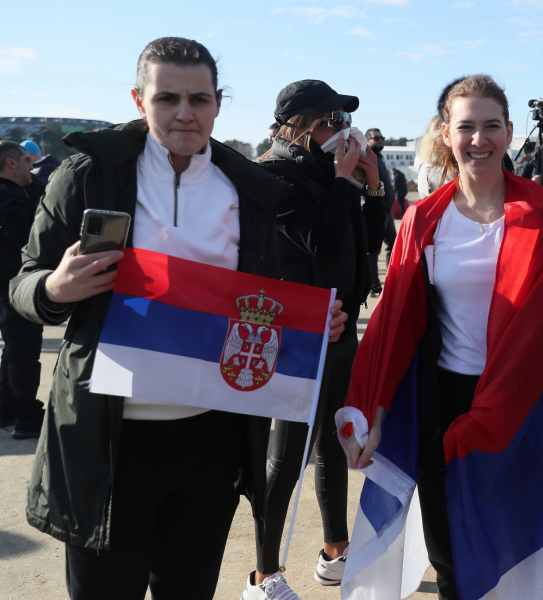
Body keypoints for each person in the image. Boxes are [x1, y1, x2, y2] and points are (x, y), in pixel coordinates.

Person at [9, 37, 347, 600]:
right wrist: (54, 287)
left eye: (200, 98)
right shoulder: (88, 175)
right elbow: (22, 283)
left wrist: (312, 325)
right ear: (139, 100)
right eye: (167, 98)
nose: (185, 113)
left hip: (209, 441)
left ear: (218, 104)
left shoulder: (249, 190)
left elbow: (259, 300)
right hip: (106, 437)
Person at [340, 74, 543, 600]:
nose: (478, 140)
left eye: (491, 127)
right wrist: (372, 408)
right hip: (446, 411)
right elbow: (397, 322)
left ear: (509, 133)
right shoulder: (424, 219)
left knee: (521, 555)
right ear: (446, 134)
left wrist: (493, 415)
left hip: (524, 410)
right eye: (466, 127)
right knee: (454, 562)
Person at [246, 79, 384, 598]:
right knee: (287, 454)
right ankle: (263, 573)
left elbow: (364, 244)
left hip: (340, 324)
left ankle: (335, 550)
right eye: (330, 121)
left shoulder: (331, 173)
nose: (340, 131)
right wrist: (343, 180)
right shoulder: (271, 175)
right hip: (295, 334)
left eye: (343, 121)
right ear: (299, 125)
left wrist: (370, 186)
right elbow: (319, 244)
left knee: (332, 441)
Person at [0, 141, 44, 439]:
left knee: (15, 351)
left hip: (10, 283)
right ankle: (27, 418)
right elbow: (27, 241)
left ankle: (8, 409)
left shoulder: (14, 194)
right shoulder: (7, 197)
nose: (32, 166)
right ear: (11, 164)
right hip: (14, 285)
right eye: (27, 160)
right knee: (23, 353)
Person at [365, 127, 396, 297]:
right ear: (367, 140)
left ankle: (393, 281)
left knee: (393, 246)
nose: (380, 140)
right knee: (373, 251)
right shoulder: (365, 158)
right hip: (375, 212)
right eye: (376, 138)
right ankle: (374, 286)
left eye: (382, 137)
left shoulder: (379, 159)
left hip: (388, 211)